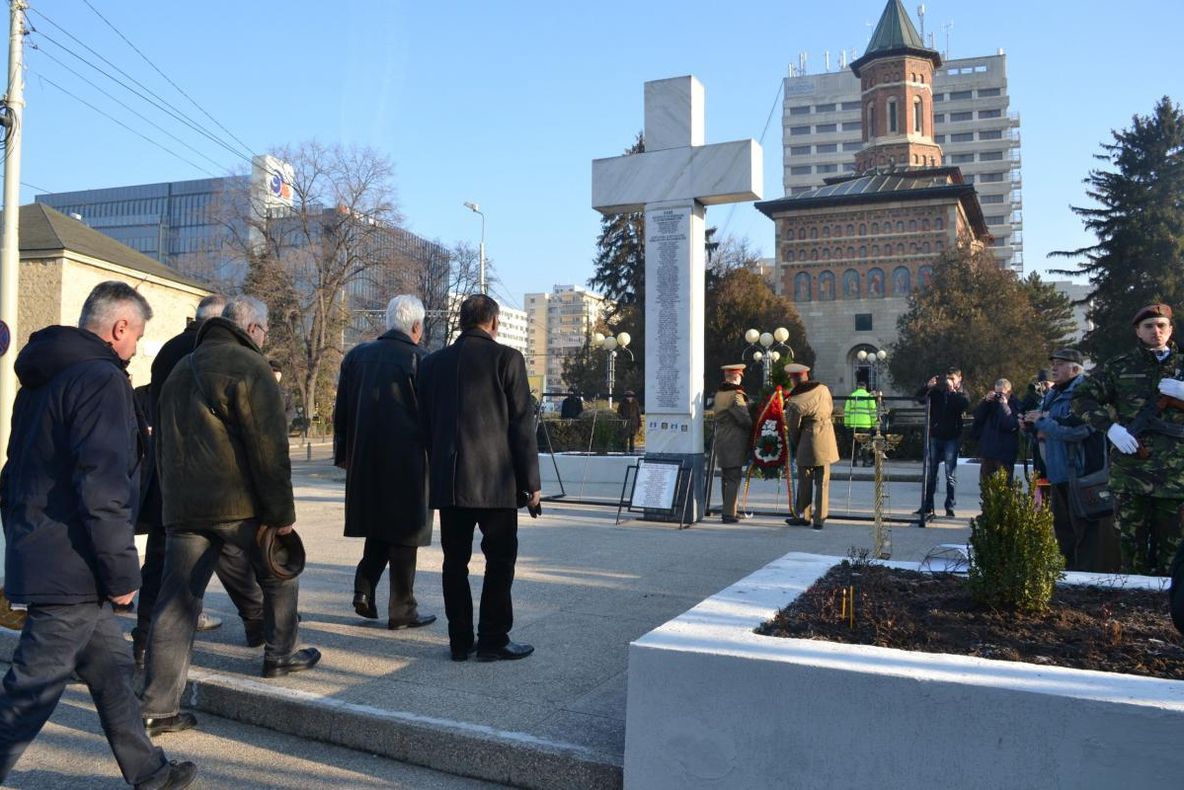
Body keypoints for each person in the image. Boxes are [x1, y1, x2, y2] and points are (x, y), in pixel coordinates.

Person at [0, 282, 196, 788]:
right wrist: (121, 572)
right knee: (29, 693)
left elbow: (14, 474)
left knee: (110, 674)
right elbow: (103, 485)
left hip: (47, 552)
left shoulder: (42, 380)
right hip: (75, 566)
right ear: (119, 327)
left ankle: (149, 772)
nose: (135, 349)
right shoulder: (101, 380)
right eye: (137, 336)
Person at [141, 296, 319, 737]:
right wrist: (281, 514)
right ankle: (280, 654)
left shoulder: (182, 369)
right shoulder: (250, 367)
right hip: (237, 504)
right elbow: (268, 450)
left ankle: (158, 708)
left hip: (183, 508)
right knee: (280, 570)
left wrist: (171, 504)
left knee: (177, 603)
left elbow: (162, 442)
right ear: (254, 329)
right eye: (265, 331)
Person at [132, 294, 265, 669]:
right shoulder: (216, 356)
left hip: (167, 473)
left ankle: (143, 641)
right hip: (212, 480)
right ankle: (260, 624)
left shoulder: (168, 353)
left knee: (162, 560)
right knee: (230, 552)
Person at [418, 294, 541, 663]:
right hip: (496, 482)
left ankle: (459, 641)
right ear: (493, 322)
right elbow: (522, 426)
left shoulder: (431, 364)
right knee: (499, 562)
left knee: (454, 563)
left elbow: (424, 424)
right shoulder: (507, 359)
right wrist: (531, 484)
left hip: (451, 481)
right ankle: (492, 638)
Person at [334, 295, 437, 630]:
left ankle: (364, 589)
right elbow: (433, 417)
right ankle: (402, 608)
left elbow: (342, 413)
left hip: (365, 456)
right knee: (405, 532)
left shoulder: (356, 356)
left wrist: (344, 455)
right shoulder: (422, 360)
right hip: (409, 460)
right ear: (417, 326)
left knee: (378, 525)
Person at [1074, 304, 1184, 575]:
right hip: (1131, 472)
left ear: (1171, 330)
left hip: (1177, 477)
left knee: (1175, 553)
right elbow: (1081, 399)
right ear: (1137, 331)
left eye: (1161, 326)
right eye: (1148, 326)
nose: (1155, 331)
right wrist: (1110, 428)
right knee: (1132, 550)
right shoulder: (1119, 367)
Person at [1023, 349, 1119, 572]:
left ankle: (1088, 580)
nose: (1053, 368)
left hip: (1083, 474)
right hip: (1058, 473)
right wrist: (1030, 425)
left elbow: (1078, 431)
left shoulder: (1086, 393)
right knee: (1064, 531)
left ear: (1075, 368)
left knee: (1087, 532)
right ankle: (1068, 577)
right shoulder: (1052, 394)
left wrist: (1043, 422)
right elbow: (1046, 429)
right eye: (1053, 363)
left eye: (1060, 364)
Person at [783, 363, 839, 530]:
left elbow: (793, 428)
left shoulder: (794, 401)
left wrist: (795, 443)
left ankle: (803, 515)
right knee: (822, 481)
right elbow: (830, 409)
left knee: (804, 480)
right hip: (827, 436)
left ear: (793, 380)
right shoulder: (823, 389)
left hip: (808, 439)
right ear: (806, 376)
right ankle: (820, 519)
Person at [915, 367, 969, 519]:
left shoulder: (961, 393)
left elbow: (964, 404)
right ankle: (927, 506)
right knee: (931, 473)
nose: (948, 381)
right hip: (935, 436)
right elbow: (919, 399)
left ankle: (950, 506)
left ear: (959, 379)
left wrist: (953, 392)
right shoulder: (937, 393)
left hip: (951, 438)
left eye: (952, 378)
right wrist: (927, 387)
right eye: (947, 378)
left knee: (949, 474)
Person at [713, 364, 753, 523]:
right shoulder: (735, 395)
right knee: (733, 477)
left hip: (722, 438)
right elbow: (744, 419)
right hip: (734, 440)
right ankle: (729, 513)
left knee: (726, 477)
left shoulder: (719, 394)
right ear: (737, 377)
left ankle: (729, 509)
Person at [971, 378, 1021, 485]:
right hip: (988, 451)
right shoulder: (990, 403)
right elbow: (978, 417)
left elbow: (1011, 424)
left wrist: (1004, 405)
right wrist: (985, 401)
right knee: (985, 486)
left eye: (1001, 393)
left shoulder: (1015, 404)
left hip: (1005, 453)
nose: (998, 396)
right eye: (996, 393)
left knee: (1006, 487)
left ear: (1009, 392)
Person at [843, 374, 877, 467]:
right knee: (865, 444)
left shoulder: (852, 396)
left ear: (857, 387)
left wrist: (847, 424)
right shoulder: (869, 396)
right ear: (865, 387)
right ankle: (865, 462)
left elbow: (847, 412)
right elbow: (873, 412)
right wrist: (874, 423)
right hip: (865, 425)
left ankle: (853, 462)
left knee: (855, 444)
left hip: (854, 424)